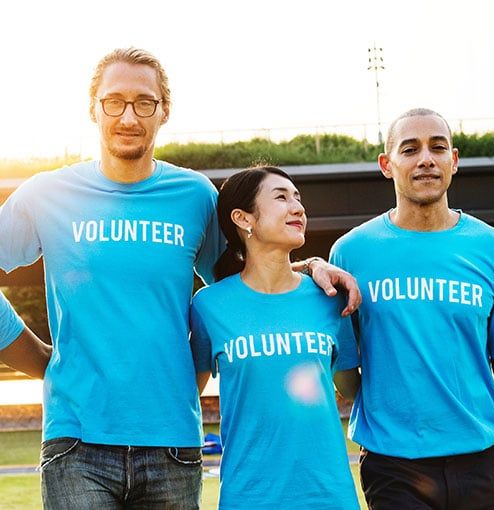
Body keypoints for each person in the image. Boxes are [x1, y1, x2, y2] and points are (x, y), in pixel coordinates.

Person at [0, 47, 360, 508]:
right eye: (114, 102)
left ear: (163, 111)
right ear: (93, 109)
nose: (128, 116)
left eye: (144, 102)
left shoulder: (194, 196)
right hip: (77, 443)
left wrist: (309, 267)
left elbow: (247, 279)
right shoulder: (46, 193)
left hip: (173, 445)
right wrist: (39, 359)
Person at [330, 108, 494, 510]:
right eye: (410, 149)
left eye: (437, 147)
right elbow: (345, 369)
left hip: (478, 460)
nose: (426, 158)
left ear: (454, 161)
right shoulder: (351, 251)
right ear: (386, 165)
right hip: (393, 465)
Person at [190, 166, 361, 509]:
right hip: (248, 497)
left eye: (298, 198)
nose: (297, 207)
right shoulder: (209, 305)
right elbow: (187, 396)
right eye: (281, 197)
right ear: (243, 218)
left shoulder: (329, 297)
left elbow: (353, 388)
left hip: (330, 497)